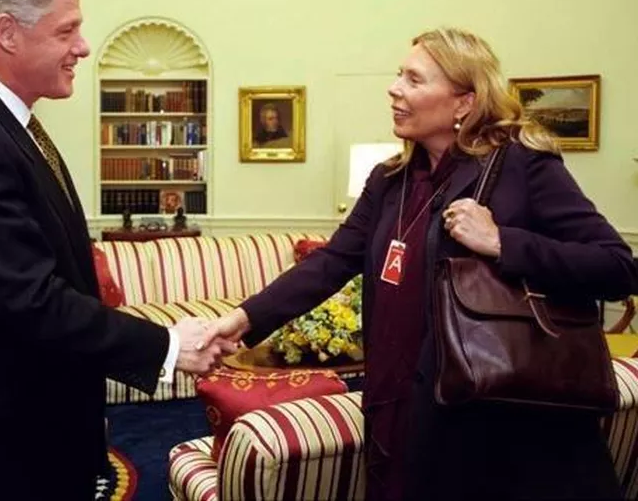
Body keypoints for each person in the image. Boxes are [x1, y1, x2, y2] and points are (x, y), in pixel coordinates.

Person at [213, 27, 638, 500]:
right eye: (399, 76)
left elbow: (616, 265)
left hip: (496, 425)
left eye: (414, 79)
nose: (394, 88)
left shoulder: (522, 164)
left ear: (464, 103)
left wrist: (503, 241)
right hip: (398, 411)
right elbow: (332, 261)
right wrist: (242, 320)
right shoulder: (389, 180)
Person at [0, 0, 232, 501]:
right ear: (8, 32)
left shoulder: (6, 125)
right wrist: (167, 346)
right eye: (67, 31)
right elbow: (29, 300)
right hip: (0, 451)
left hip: (37, 431)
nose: (83, 47)